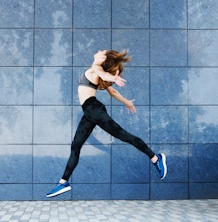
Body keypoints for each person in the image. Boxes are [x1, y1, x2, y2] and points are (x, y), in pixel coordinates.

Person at [46, 50, 167, 198]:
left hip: (94, 110)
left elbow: (104, 75)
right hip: (89, 113)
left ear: (104, 60)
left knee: (123, 135)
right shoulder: (95, 70)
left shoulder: (96, 69)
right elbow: (113, 92)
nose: (98, 52)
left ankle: (156, 158)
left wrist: (112, 78)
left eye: (102, 52)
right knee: (75, 146)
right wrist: (127, 102)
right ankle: (63, 183)